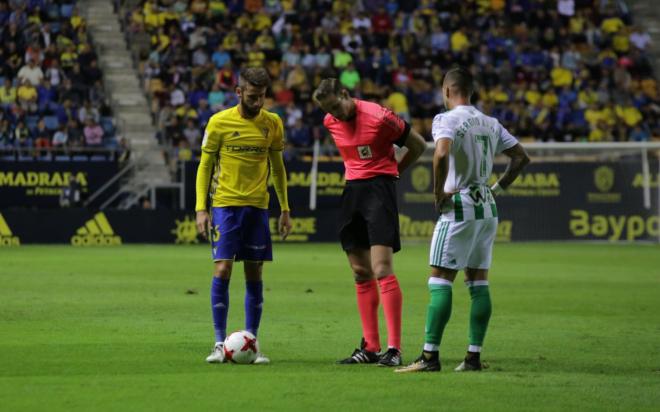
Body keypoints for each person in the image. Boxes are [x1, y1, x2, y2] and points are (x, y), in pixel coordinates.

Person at [396, 67, 530, 373]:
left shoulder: (446, 119)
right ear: (471, 92)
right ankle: (472, 357)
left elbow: (441, 154)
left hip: (459, 205)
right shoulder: (490, 122)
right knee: (478, 281)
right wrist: (496, 189)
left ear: (446, 91)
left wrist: (437, 194)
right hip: (487, 207)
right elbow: (522, 158)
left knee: (440, 279)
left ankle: (430, 357)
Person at [313, 78, 427, 366]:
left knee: (382, 268)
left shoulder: (380, 117)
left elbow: (418, 145)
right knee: (361, 271)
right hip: (352, 191)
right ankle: (370, 347)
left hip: (379, 190)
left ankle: (395, 350)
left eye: (337, 106)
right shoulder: (330, 121)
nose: (336, 114)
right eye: (330, 110)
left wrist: (394, 171)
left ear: (345, 93)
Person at [195, 67, 291, 365]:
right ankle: (218, 343)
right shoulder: (219, 122)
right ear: (238, 93)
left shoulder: (272, 123)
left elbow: (278, 168)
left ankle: (251, 343)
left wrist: (285, 208)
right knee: (222, 269)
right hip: (225, 206)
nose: (258, 102)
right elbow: (204, 167)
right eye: (252, 96)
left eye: (262, 96)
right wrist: (201, 208)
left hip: (258, 208)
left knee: (254, 273)